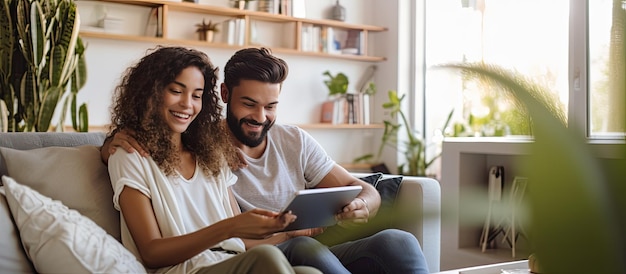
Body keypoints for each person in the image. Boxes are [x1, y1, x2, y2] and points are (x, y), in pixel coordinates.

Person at [103, 47, 429, 274]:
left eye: (270, 106)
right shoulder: (202, 144)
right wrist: (108, 145)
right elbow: (218, 235)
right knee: (301, 253)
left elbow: (359, 189)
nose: (260, 117)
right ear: (226, 94)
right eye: (249, 104)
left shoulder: (214, 149)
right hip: (249, 255)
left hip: (284, 245)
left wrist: (362, 207)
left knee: (397, 241)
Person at [105, 46, 321, 274]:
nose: (188, 104)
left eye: (197, 95)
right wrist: (229, 228)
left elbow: (240, 243)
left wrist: (287, 233)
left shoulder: (211, 155)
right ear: (150, 93)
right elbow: (151, 253)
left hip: (233, 262)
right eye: (176, 91)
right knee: (265, 257)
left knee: (310, 272)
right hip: (186, 271)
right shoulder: (130, 155)